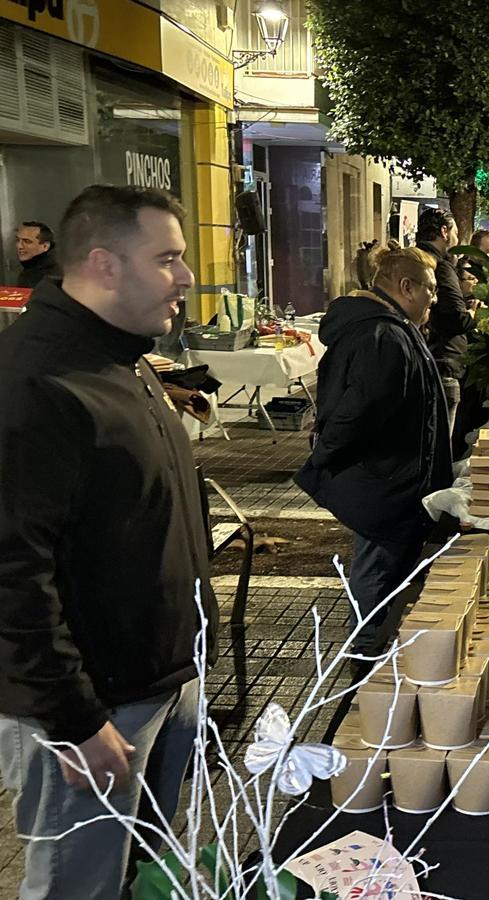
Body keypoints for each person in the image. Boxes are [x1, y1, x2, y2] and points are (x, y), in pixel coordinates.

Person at [0, 185, 213, 899]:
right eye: (168, 259)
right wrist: (73, 719)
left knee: (141, 879)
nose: (185, 277)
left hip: (159, 681)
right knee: (77, 887)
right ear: (104, 265)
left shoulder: (122, 357)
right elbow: (11, 574)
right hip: (94, 710)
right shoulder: (35, 381)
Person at [296, 245, 451, 646]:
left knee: (382, 578)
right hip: (387, 488)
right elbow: (357, 412)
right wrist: (325, 453)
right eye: (430, 290)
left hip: (392, 483)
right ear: (406, 287)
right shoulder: (382, 334)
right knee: (376, 580)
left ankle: (371, 661)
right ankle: (363, 671)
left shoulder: (387, 327)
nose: (435, 298)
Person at [415, 206, 469, 436]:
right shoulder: (438, 265)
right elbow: (455, 318)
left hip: (423, 359)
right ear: (445, 231)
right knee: (438, 445)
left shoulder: (415, 259)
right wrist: (473, 314)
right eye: (455, 230)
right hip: (442, 361)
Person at [14, 220, 61, 288]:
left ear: (45, 246)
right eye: (18, 240)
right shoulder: (31, 267)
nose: (19, 246)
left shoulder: (54, 275)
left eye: (27, 241)